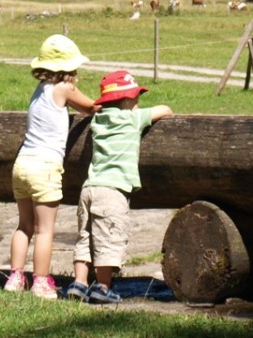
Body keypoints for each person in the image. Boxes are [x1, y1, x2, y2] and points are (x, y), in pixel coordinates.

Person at [65, 69, 173, 304]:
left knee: (86, 238)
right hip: (112, 191)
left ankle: (79, 283)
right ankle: (102, 287)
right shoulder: (132, 118)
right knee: (109, 239)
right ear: (125, 100)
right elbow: (164, 110)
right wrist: (161, 109)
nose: (138, 102)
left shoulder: (98, 119)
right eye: (136, 97)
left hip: (89, 188)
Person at [5, 34, 99, 299]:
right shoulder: (65, 89)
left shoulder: (40, 90)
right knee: (44, 230)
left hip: (22, 164)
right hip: (45, 167)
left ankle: (15, 277)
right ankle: (42, 282)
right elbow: (90, 107)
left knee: (24, 226)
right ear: (69, 67)